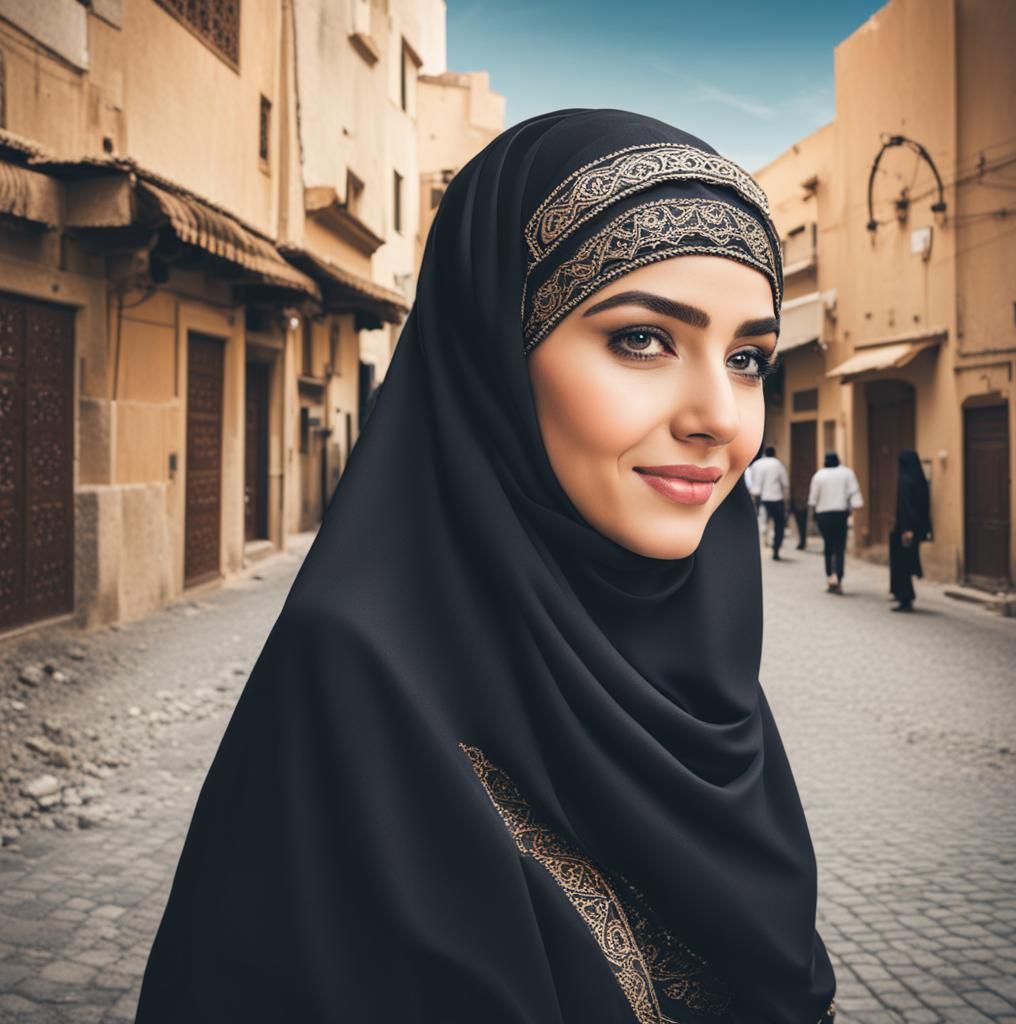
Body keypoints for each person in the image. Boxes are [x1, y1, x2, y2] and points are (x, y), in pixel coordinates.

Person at [135, 110, 836, 1024]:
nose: (721, 416)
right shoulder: (355, 675)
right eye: (642, 338)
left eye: (748, 359)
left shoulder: (699, 660)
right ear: (494, 350)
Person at [808, 451, 864, 594]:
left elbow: (813, 499)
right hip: (840, 514)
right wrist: (855, 508)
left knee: (828, 546)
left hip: (824, 515)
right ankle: (839, 578)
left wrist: (813, 514)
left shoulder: (819, 475)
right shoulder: (847, 473)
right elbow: (854, 493)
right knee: (839, 547)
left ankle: (830, 576)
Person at [889, 449, 932, 611]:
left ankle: (905, 597)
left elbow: (906, 506)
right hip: (916, 527)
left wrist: (906, 529)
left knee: (902, 564)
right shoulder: (919, 479)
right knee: (908, 562)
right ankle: (904, 595)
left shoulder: (906, 479)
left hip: (905, 529)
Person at [748, 445, 789, 560]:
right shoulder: (778, 464)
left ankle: (762, 542)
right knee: (779, 524)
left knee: (761, 520)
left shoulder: (756, 464)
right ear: (774, 453)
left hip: (758, 496)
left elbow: (751, 481)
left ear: (765, 453)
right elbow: (785, 482)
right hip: (775, 497)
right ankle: (776, 547)